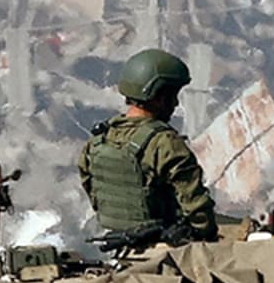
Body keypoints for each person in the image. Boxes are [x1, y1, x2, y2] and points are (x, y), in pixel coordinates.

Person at [78, 48, 218, 247]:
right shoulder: (164, 143)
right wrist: (208, 238)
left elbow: (95, 194)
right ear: (158, 96)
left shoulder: (97, 143)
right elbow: (197, 209)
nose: (175, 103)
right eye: (172, 95)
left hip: (121, 247)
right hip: (166, 250)